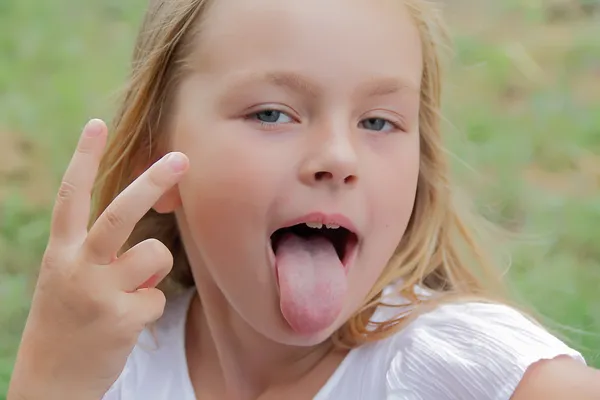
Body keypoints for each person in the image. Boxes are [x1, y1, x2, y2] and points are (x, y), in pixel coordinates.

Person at [8, 0, 600, 399]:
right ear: (152, 157)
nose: (339, 158)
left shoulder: (462, 369)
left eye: (378, 121)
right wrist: (45, 379)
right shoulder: (111, 367)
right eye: (272, 113)